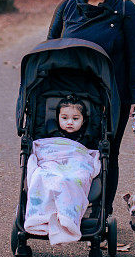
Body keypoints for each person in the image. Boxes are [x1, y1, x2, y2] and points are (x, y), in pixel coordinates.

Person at [47, 0, 135, 216]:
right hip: (70, 96)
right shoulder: (67, 8)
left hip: (111, 96)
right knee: (71, 151)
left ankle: (101, 210)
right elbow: (50, 49)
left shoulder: (125, 10)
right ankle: (69, 205)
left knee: (106, 153)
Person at [24, 96, 100, 244]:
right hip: (52, 159)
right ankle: (41, 216)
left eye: (75, 118)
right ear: (57, 117)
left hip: (76, 161)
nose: (69, 122)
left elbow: (87, 156)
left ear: (83, 120)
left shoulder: (88, 135)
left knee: (71, 179)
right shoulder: (49, 131)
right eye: (64, 118)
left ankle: (67, 217)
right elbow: (40, 147)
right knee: (41, 174)